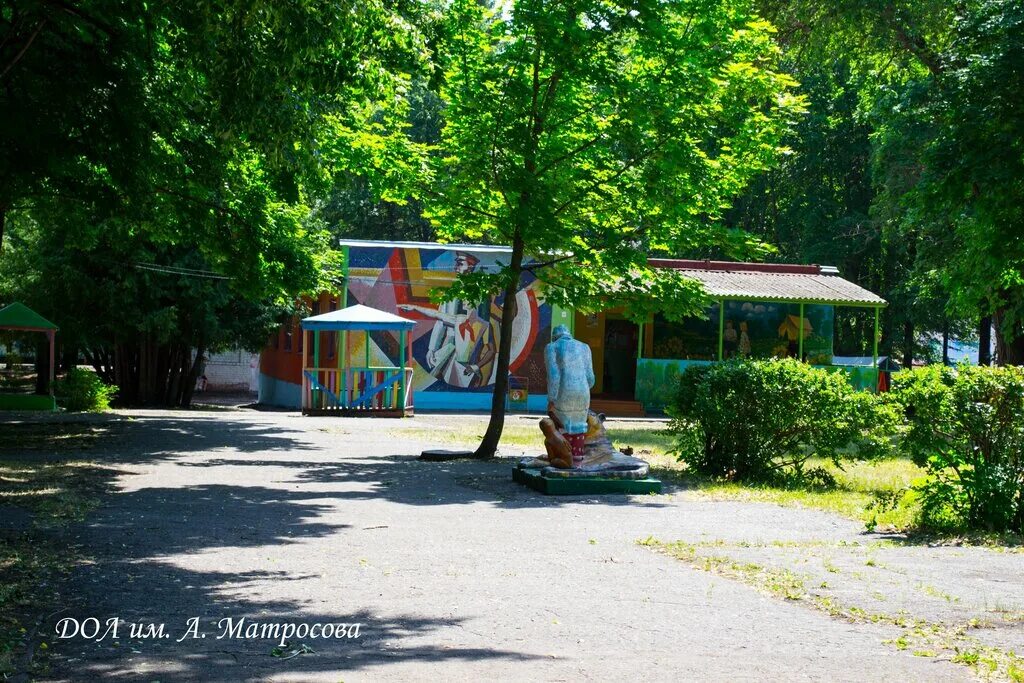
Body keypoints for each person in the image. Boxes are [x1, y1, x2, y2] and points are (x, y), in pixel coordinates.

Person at [545, 325, 595, 467]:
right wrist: (582, 387)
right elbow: (591, 379)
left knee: (561, 426)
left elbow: (554, 376)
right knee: (579, 426)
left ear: (554, 337)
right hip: (583, 393)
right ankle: (578, 461)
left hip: (563, 392)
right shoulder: (585, 347)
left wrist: (552, 399)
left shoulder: (551, 347)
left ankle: (564, 459)